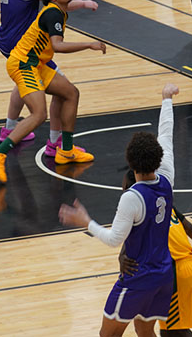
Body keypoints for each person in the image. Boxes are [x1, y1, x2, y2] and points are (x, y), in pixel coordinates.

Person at [58, 84, 179, 337]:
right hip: (164, 275)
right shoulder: (167, 177)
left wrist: (86, 221)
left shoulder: (132, 197)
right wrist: (166, 99)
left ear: (130, 163)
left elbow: (114, 240)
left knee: (108, 335)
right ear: (158, 158)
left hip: (138, 278)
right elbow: (166, 134)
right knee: (144, 330)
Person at [0, 0, 106, 183]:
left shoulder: (58, 9)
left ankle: (65, 151)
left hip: (37, 64)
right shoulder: (53, 13)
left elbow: (69, 7)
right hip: (23, 64)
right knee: (39, 114)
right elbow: (58, 46)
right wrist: (89, 44)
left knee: (70, 93)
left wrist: (84, 3)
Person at [0, 0, 98, 156]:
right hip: (25, 47)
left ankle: (10, 128)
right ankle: (55, 143)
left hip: (6, 39)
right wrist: (84, 4)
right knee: (61, 93)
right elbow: (54, 2)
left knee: (25, 84)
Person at [118, 168, 192, 336]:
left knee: (174, 332)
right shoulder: (163, 203)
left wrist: (122, 258)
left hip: (178, 272)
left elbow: (130, 243)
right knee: (149, 327)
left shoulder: (135, 209)